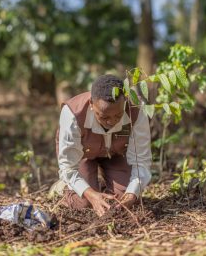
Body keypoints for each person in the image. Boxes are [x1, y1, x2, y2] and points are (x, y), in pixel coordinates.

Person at [54, 74, 152, 217]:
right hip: (82, 155)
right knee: (84, 203)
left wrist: (132, 193)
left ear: (124, 102)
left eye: (118, 116)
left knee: (124, 198)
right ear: (91, 105)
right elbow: (68, 166)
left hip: (115, 154)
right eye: (104, 117)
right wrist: (90, 194)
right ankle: (62, 187)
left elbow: (141, 161)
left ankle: (102, 185)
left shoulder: (137, 110)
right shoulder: (73, 113)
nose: (112, 122)